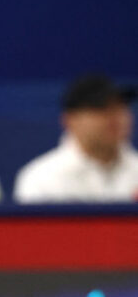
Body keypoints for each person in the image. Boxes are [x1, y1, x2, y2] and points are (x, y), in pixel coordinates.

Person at [14, 73, 138, 203]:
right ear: (70, 120)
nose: (115, 118)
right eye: (100, 109)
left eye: (121, 108)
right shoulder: (42, 177)